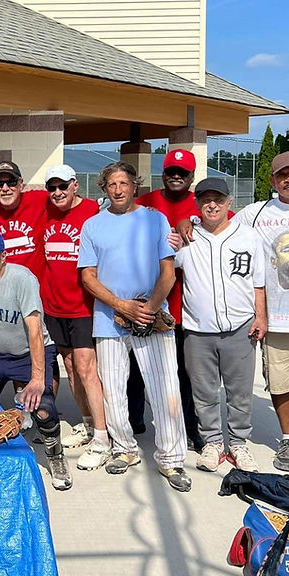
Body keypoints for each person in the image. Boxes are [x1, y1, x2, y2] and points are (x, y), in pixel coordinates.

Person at [180, 152, 289, 483]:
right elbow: (217, 222)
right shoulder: (256, 213)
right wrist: (186, 221)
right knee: (280, 383)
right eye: (281, 175)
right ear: (272, 180)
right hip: (277, 320)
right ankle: (288, 441)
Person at [77, 161, 191, 492]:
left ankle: (171, 459)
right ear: (104, 188)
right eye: (111, 184)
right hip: (110, 317)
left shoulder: (155, 220)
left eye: (123, 183)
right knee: (113, 389)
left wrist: (149, 310)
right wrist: (121, 306)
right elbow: (88, 277)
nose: (118, 189)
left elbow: (168, 272)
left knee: (166, 389)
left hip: (152, 315)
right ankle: (125, 448)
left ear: (134, 185)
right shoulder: (93, 226)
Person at [0, 230, 71, 491]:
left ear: (3, 257)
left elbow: (34, 329)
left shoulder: (22, 279)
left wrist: (37, 378)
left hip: (30, 352)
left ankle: (56, 457)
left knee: (41, 405)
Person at [174, 177, 266, 473]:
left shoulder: (249, 236)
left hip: (240, 326)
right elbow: (165, 268)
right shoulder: (187, 237)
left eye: (218, 199)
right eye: (205, 199)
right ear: (197, 204)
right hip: (198, 330)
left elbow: (259, 282)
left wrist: (261, 316)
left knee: (240, 392)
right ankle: (212, 442)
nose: (211, 204)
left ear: (229, 203)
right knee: (204, 392)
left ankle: (239, 443)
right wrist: (181, 223)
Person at [35, 165, 110, 471]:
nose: (57, 193)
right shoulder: (46, 211)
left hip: (83, 305)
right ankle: (88, 423)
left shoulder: (94, 210)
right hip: (54, 305)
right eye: (52, 187)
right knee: (69, 367)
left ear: (75, 185)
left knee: (86, 367)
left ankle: (104, 438)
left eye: (63, 186)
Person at [131, 148, 203, 451]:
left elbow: (227, 224)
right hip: (147, 299)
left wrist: (193, 217)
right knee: (136, 367)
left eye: (182, 173)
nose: (176, 176)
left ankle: (189, 426)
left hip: (184, 305)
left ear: (191, 177)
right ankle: (134, 419)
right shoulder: (145, 203)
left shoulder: (202, 204)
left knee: (182, 373)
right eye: (171, 171)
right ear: (163, 173)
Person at [0, 160, 47, 273]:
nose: (5, 188)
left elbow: (66, 200)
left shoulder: (39, 200)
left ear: (21, 184)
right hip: (5, 286)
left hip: (35, 287)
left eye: (11, 182)